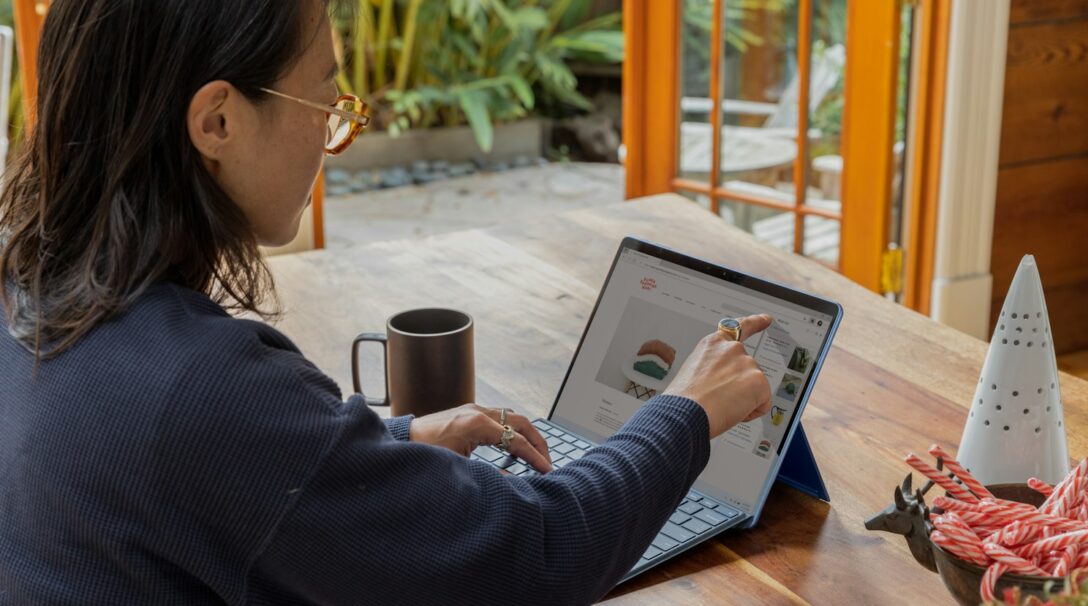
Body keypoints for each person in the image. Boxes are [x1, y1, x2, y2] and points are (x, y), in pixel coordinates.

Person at [0, 1, 775, 604]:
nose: (331, 138)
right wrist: (689, 410)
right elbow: (534, 558)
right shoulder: (201, 387)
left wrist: (389, 445)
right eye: (323, 102)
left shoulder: (26, 288)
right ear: (218, 121)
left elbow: (210, 481)